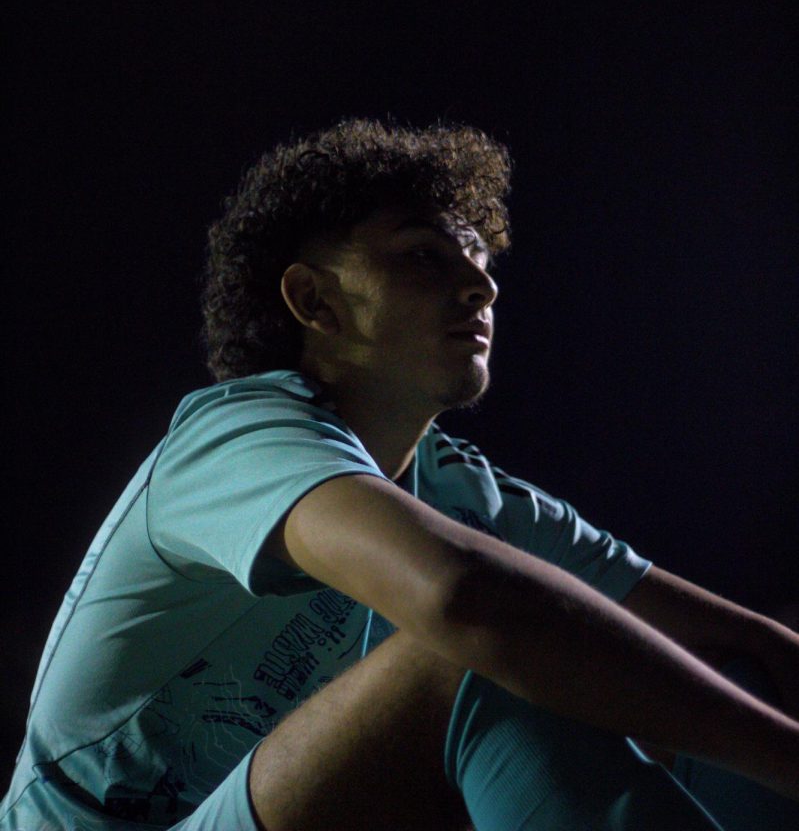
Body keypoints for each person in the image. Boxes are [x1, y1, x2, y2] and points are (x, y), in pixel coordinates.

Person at [3, 117, 798, 831]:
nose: (480, 285)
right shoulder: (232, 436)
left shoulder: (459, 490)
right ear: (314, 301)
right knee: (465, 657)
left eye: (483, 263)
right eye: (424, 256)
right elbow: (464, 599)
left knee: (736, 679)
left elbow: (745, 646)